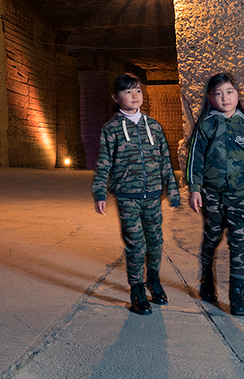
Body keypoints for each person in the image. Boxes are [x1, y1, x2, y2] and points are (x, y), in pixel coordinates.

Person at [186, 72, 244, 316]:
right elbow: (195, 160)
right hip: (212, 196)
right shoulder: (206, 127)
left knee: (240, 245)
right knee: (212, 239)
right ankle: (207, 279)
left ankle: (238, 297)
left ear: (237, 95)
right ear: (210, 98)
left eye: (229, 92)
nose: (224, 98)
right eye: (217, 93)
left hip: (240, 197)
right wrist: (195, 188)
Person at [92, 72, 180, 314]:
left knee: (155, 242)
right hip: (127, 196)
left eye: (138, 90)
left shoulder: (154, 126)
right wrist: (99, 191)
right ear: (115, 97)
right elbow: (104, 163)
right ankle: (137, 289)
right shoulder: (111, 129)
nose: (134, 95)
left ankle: (153, 280)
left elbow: (165, 161)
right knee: (136, 245)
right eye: (127, 91)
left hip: (153, 196)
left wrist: (171, 190)